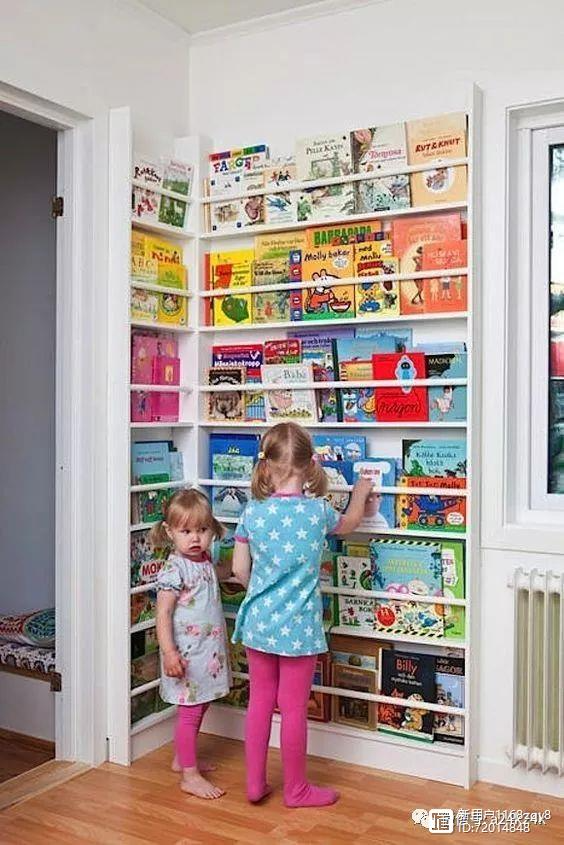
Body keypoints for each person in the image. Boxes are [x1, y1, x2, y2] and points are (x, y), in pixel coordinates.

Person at [231, 422, 373, 808]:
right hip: (298, 628)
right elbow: (350, 524)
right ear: (311, 465)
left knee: (260, 702)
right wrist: (361, 493)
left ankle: (254, 784)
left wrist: (263, 594)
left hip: (258, 622)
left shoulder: (252, 512)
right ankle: (295, 789)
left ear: (266, 466)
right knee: (293, 708)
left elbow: (240, 570)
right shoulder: (318, 512)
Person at [154, 489, 231, 799]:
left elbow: (215, 574)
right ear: (170, 532)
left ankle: (182, 758)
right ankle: (189, 775)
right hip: (186, 654)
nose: (195, 538)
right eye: (186, 531)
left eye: (202, 529)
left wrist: (237, 568)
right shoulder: (174, 569)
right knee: (190, 710)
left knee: (202, 704)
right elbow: (163, 614)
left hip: (207, 651)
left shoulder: (204, 560)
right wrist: (169, 653)